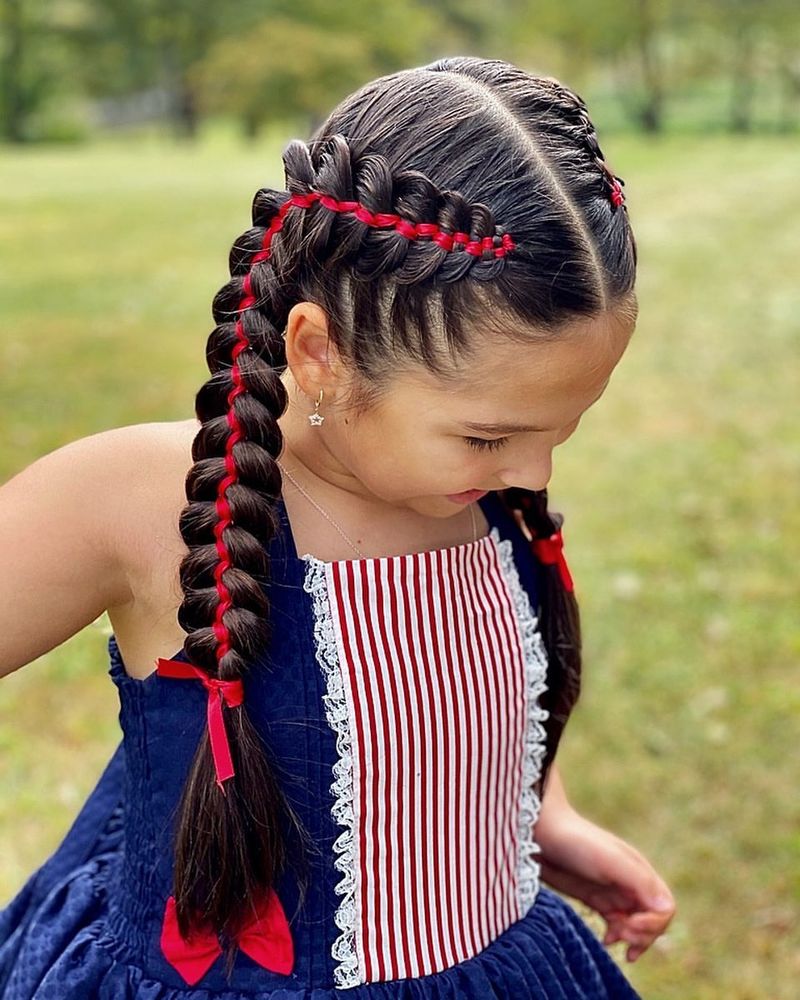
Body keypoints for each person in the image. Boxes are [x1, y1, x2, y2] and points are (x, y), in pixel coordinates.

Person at [0, 55, 675, 999]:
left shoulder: (477, 499)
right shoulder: (144, 498)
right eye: (489, 436)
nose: (533, 472)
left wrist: (540, 817)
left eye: (564, 430)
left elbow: (457, 715)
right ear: (318, 352)